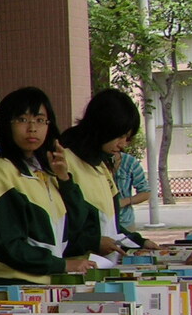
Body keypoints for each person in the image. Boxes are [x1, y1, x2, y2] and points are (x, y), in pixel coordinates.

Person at [0, 86, 100, 282]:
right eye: (22, 120)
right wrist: (61, 264)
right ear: (6, 125)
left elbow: (78, 225)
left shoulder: (46, 172)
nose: (32, 128)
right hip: (16, 286)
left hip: (48, 283)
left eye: (40, 120)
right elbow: (7, 244)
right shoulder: (1, 170)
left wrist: (64, 180)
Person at [59, 88, 147, 252]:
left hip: (103, 267)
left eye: (127, 138)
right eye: (120, 137)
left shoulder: (100, 164)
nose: (123, 145)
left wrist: (139, 242)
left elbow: (110, 225)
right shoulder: (64, 162)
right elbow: (59, 229)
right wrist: (92, 243)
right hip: (78, 269)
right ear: (103, 128)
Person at [115, 149, 151, 236]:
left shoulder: (129, 162)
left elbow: (145, 192)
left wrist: (125, 202)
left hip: (125, 222)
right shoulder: (93, 163)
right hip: (99, 223)